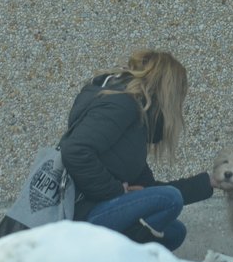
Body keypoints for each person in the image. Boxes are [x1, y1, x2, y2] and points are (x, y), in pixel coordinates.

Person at [58, 49, 213, 251]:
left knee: (174, 231)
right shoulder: (122, 105)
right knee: (169, 199)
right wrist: (116, 191)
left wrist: (209, 182)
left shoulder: (136, 126)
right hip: (79, 215)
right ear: (167, 89)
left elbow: (148, 189)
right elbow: (75, 151)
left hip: (95, 210)